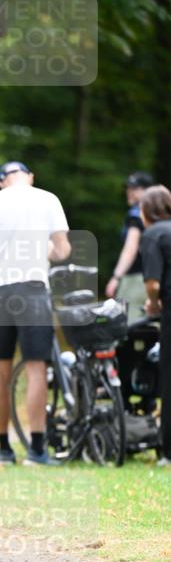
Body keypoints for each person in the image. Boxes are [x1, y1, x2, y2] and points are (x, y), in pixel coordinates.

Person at [0, 161, 71, 467]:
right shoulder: (47, 198)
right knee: (37, 368)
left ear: (2, 182)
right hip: (34, 289)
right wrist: (45, 255)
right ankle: (37, 450)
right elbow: (63, 249)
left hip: (0, 293)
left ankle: (4, 449)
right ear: (30, 177)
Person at [139, 184, 171, 466]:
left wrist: (153, 304)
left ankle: (168, 451)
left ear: (146, 210)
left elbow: (153, 282)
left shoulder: (153, 234)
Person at [105, 171, 154, 323]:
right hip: (157, 278)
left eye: (135, 188)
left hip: (136, 280)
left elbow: (130, 248)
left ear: (147, 190)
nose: (129, 192)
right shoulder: (160, 214)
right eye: (128, 188)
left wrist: (116, 277)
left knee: (130, 326)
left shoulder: (136, 214)